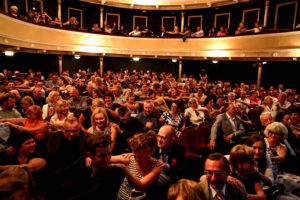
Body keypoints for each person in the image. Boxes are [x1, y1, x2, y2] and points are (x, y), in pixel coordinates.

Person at [111, 133, 163, 200]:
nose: (133, 153)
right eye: (132, 150)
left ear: (148, 150)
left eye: (136, 151)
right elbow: (107, 159)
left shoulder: (157, 166)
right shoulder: (130, 158)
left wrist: (124, 168)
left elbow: (140, 186)